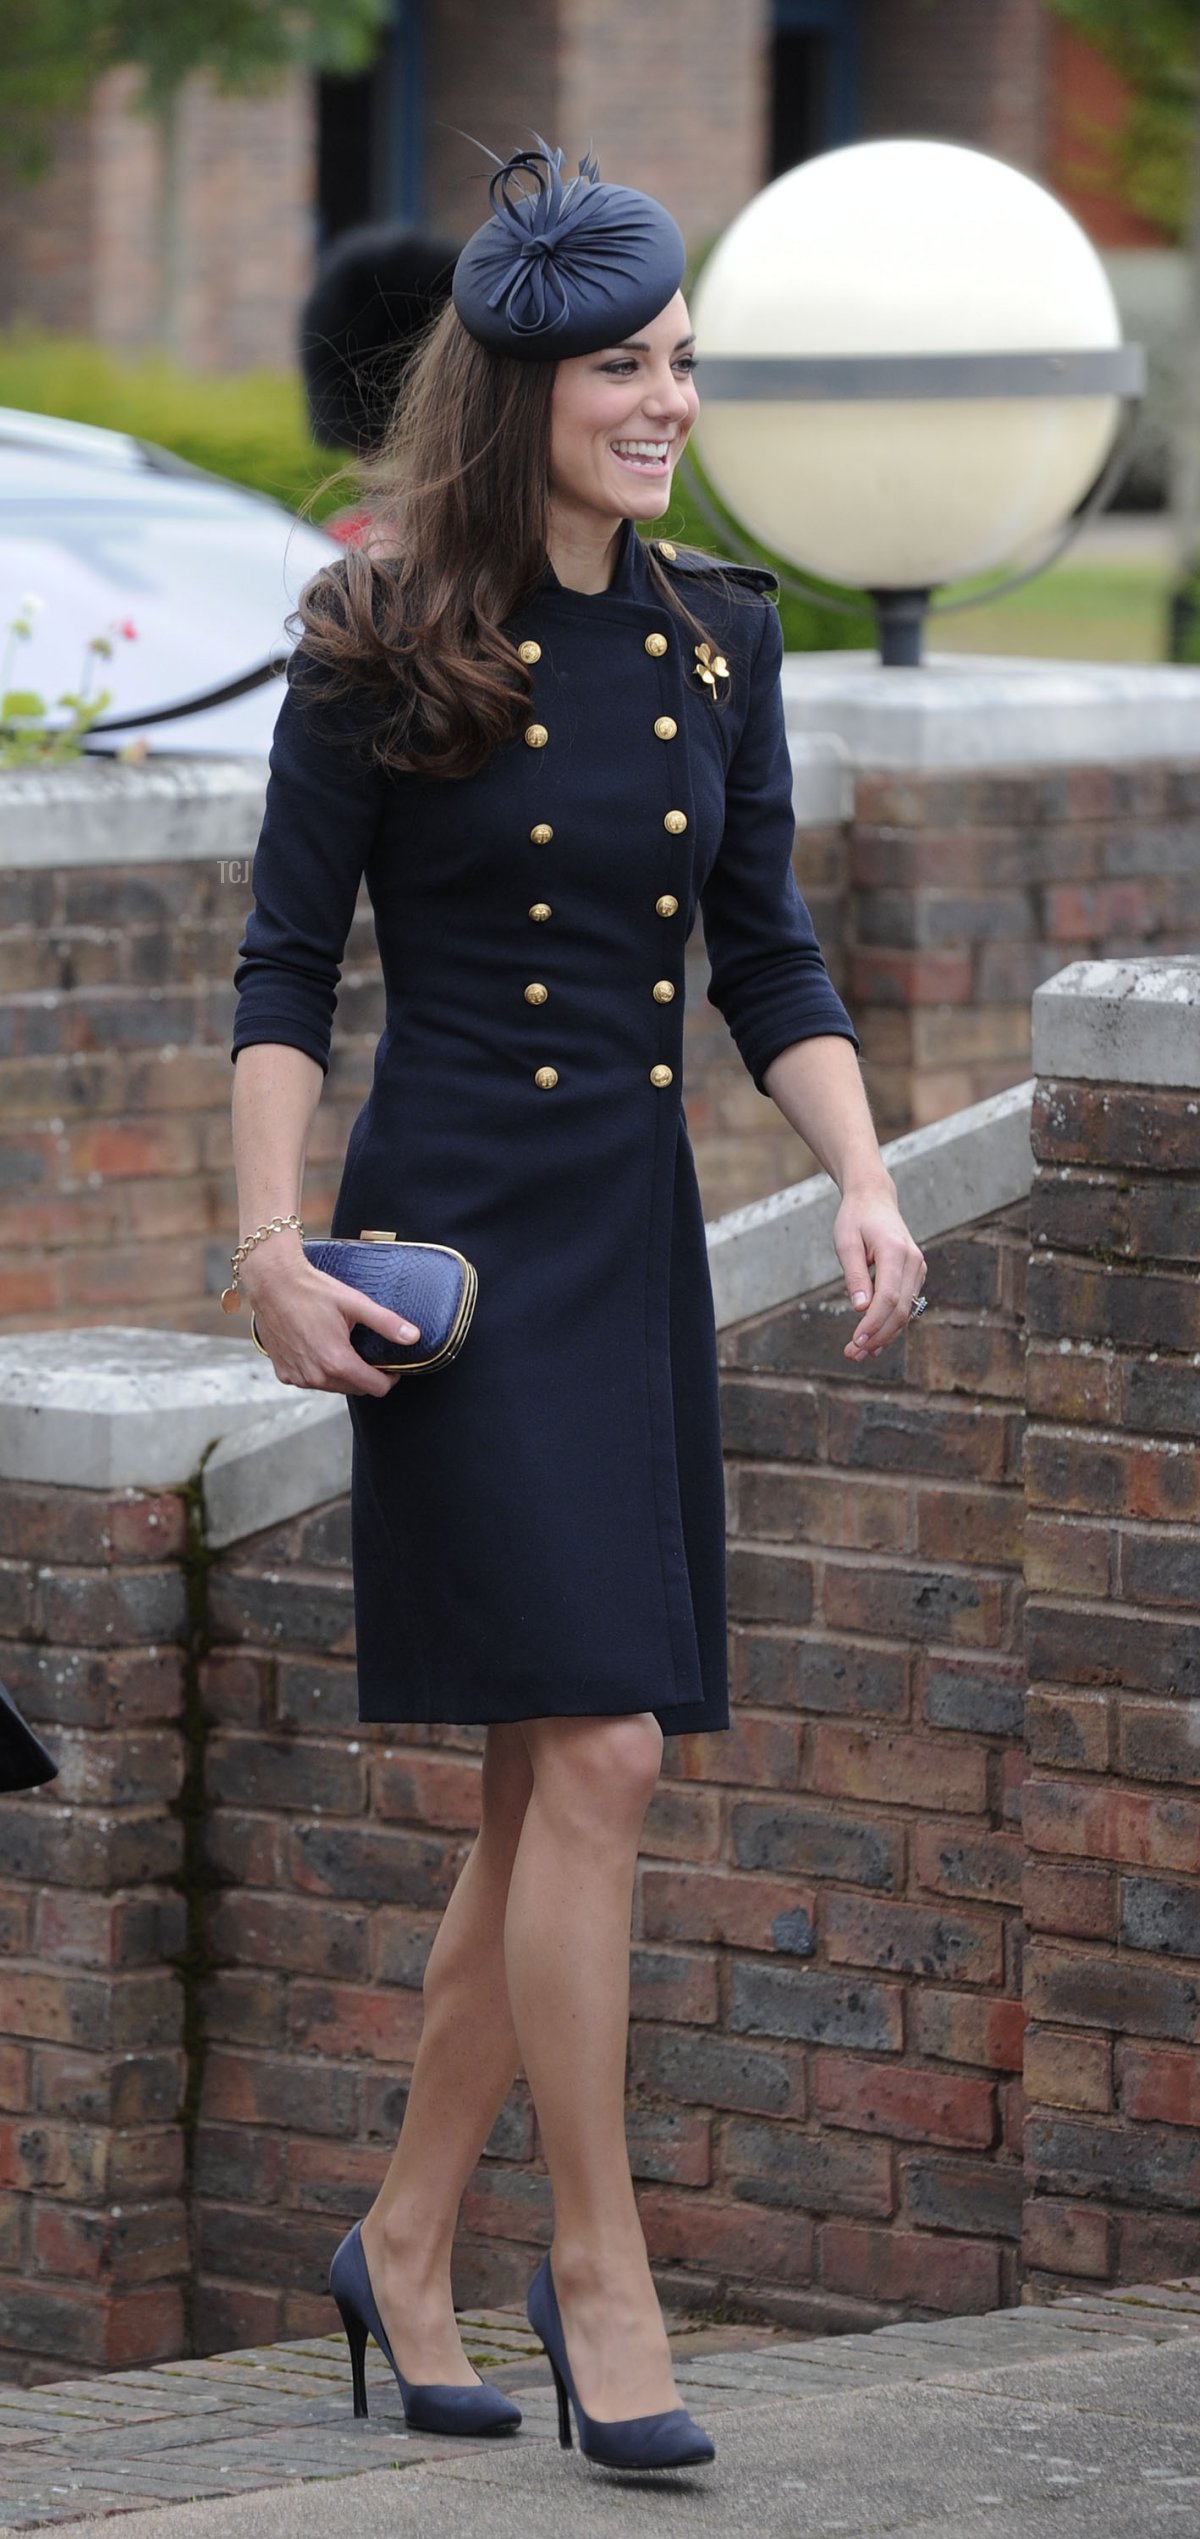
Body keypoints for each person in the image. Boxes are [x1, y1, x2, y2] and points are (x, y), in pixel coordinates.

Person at [227, 139, 926, 2473]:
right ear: (523, 388)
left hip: (625, 1240)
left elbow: (768, 952)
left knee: (550, 1780)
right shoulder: (378, 631)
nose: (667, 405)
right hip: (457, 1246)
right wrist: (265, 1250)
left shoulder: (725, 637)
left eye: (683, 363)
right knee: (604, 1755)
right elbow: (282, 975)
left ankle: (406, 2234)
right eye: (625, 369)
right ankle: (601, 2272)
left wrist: (861, 1176)